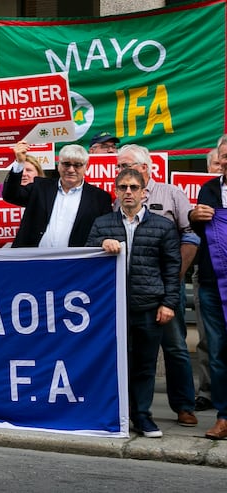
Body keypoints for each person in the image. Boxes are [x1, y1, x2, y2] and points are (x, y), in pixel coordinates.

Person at [87, 167, 180, 438]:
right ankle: (117, 415)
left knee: (144, 364)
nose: (128, 192)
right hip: (111, 308)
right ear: (116, 192)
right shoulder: (102, 224)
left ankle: (142, 416)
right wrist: (101, 243)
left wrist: (169, 303)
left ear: (144, 192)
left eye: (133, 187)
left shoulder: (162, 225)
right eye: (123, 187)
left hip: (148, 306)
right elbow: (86, 252)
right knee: (114, 362)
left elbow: (172, 268)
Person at [117, 143, 199, 427]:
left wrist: (176, 280)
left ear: (145, 167)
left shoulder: (171, 193)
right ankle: (136, 410)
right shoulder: (120, 198)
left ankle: (184, 406)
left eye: (126, 165)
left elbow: (190, 237)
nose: (121, 171)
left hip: (167, 287)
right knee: (135, 352)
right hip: (135, 292)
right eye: (118, 167)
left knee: (175, 348)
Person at [187, 135, 227, 440]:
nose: (226, 160)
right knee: (217, 352)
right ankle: (224, 416)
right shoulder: (209, 189)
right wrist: (194, 216)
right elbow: (199, 231)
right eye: (223, 156)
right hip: (213, 284)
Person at [2, 141, 112, 248]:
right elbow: (11, 195)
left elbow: (104, 231)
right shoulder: (39, 186)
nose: (71, 169)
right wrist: (19, 162)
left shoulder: (100, 198)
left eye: (77, 165)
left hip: (74, 262)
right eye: (66, 164)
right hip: (32, 259)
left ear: (86, 167)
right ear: (58, 164)